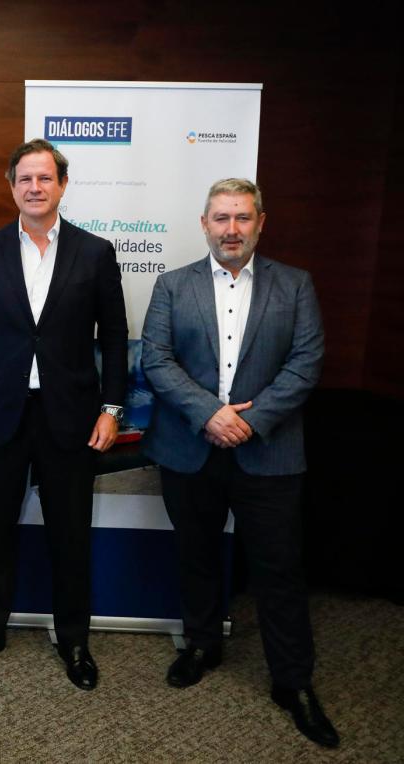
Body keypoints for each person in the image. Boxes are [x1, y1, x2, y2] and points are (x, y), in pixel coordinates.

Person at [141, 178, 337, 747]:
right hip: (190, 447)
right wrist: (210, 413)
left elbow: (306, 362)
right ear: (204, 224)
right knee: (196, 554)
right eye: (222, 218)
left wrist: (250, 421)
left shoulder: (295, 285)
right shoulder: (172, 285)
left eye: (243, 218)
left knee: (279, 569)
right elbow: (156, 358)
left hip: (269, 451)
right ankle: (202, 645)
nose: (232, 229)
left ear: (260, 223)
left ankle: (292, 681)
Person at [0, 139, 127, 689]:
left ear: (62, 185)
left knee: (69, 533)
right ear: (11, 187)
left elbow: (115, 338)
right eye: (24, 178)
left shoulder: (95, 253)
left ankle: (74, 639)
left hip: (70, 416)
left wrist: (111, 408)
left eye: (45, 178)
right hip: (1, 413)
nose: (34, 187)